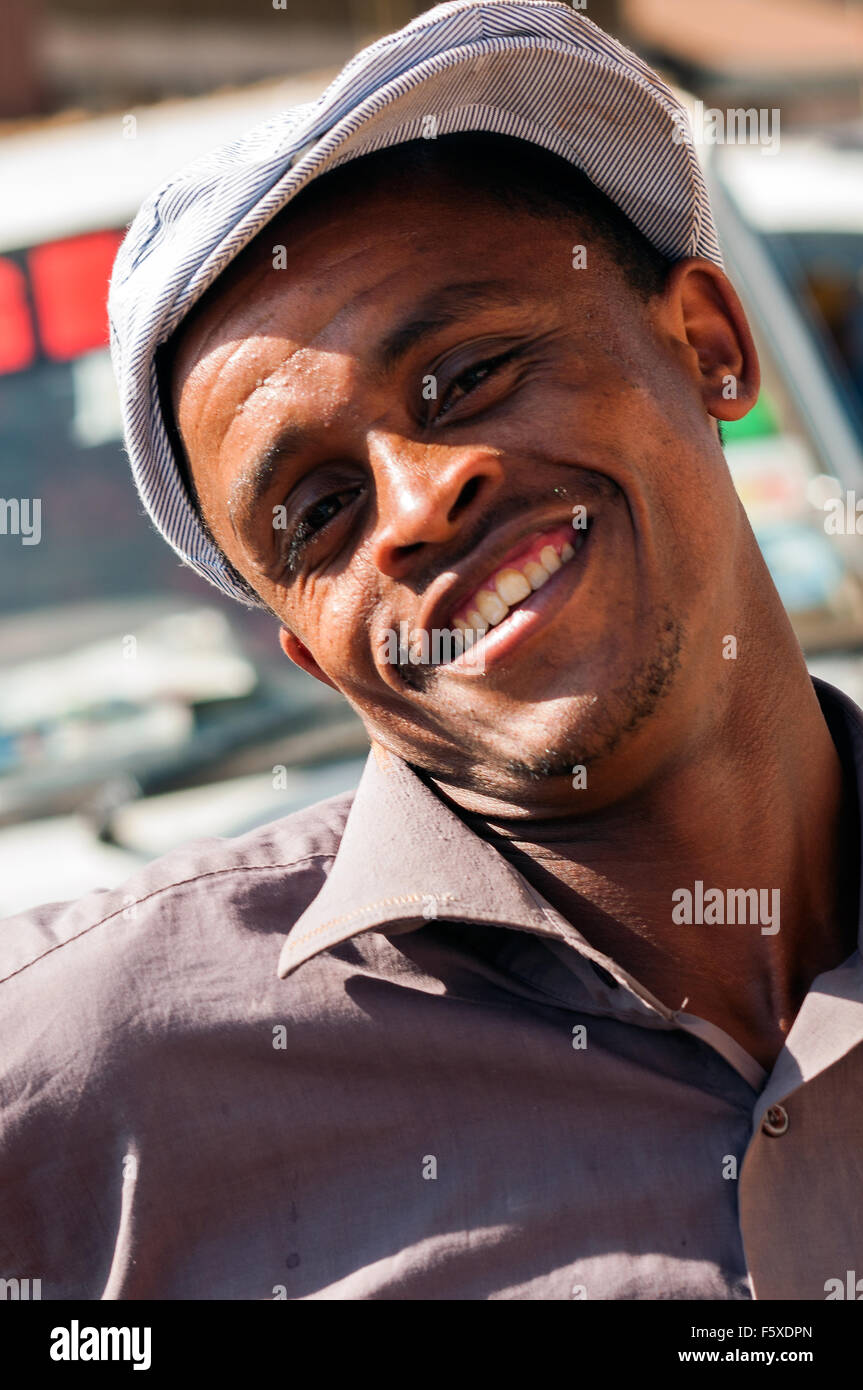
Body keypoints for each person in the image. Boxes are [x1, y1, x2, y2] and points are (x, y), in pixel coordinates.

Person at [2, 1, 861, 1302]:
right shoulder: (82, 1086)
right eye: (319, 511)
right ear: (306, 650)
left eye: (469, 375)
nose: (416, 508)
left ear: (708, 347)